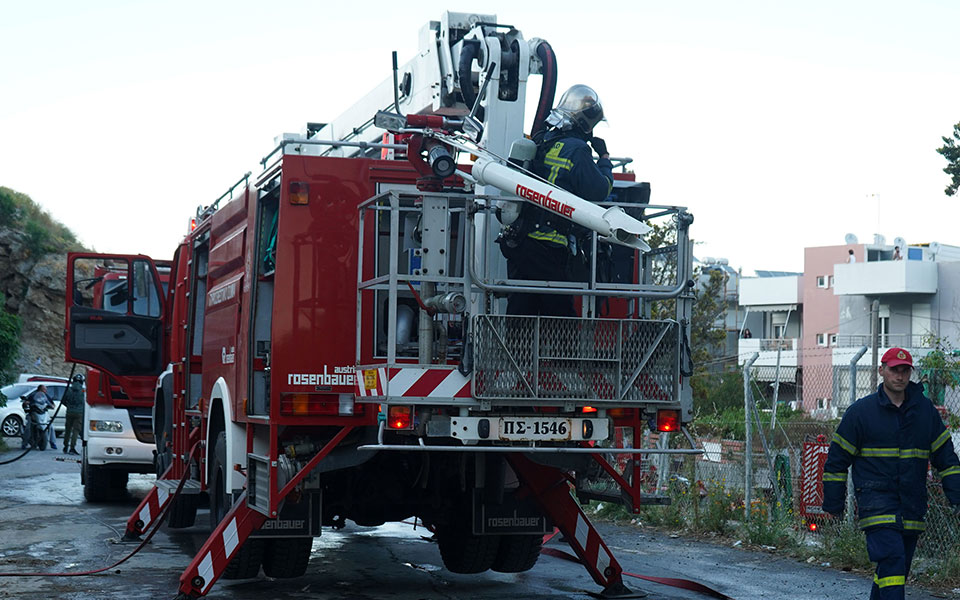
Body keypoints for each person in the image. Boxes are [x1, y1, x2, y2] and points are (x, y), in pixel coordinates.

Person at [822, 347, 960, 600]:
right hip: (876, 504)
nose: (900, 376)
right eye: (894, 370)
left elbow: (947, 460)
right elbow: (836, 462)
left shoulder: (924, 413)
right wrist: (833, 503)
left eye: (905, 370)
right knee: (893, 561)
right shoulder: (861, 413)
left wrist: (957, 497)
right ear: (881, 371)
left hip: (912, 505)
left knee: (893, 571)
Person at [499, 84, 614, 316]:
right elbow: (600, 190)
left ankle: (514, 352)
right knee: (561, 318)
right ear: (585, 122)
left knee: (521, 312)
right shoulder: (577, 149)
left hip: (519, 241)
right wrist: (604, 158)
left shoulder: (542, 140)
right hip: (549, 244)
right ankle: (560, 354)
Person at [62, 374, 85, 455]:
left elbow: (63, 401)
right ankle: (72, 448)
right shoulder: (83, 391)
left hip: (69, 412)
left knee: (68, 429)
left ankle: (65, 446)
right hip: (79, 413)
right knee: (76, 430)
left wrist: (69, 406)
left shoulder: (69, 389)